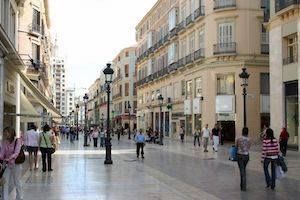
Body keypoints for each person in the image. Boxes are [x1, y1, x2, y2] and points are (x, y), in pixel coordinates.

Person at [0, 127, 24, 200]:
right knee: (5, 182)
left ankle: (19, 197)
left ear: (11, 133)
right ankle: (5, 198)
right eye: (4, 132)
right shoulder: (5, 142)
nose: (5, 134)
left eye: (6, 132)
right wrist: (1, 157)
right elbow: (2, 153)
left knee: (17, 182)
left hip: (15, 164)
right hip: (6, 165)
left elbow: (16, 153)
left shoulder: (18, 141)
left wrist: (9, 158)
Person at [235, 127, 251, 191]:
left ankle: (243, 186)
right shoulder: (249, 139)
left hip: (240, 155)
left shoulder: (238, 138)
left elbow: (236, 146)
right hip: (246, 155)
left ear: (242, 131)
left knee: (242, 171)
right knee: (243, 169)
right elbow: (249, 147)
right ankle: (242, 185)